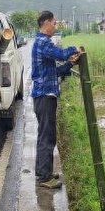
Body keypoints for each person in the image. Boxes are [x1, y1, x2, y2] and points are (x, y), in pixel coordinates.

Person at [31, 10, 80, 189]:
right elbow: (60, 54)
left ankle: (43, 172)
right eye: (54, 22)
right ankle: (45, 178)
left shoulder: (42, 44)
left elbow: (55, 71)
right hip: (44, 96)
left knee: (44, 134)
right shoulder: (43, 42)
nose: (55, 26)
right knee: (48, 136)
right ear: (45, 23)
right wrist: (74, 49)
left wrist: (71, 64)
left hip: (44, 95)